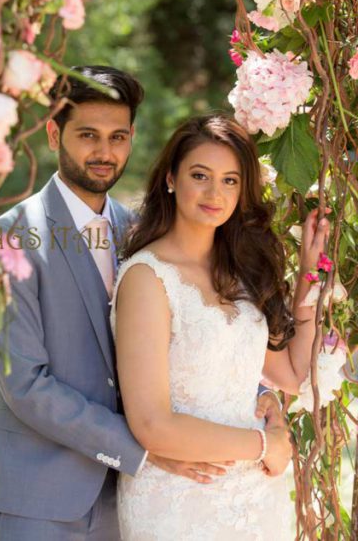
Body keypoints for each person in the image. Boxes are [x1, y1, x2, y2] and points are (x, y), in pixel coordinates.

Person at [0, 66, 282, 540]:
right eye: (88, 135)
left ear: (133, 138)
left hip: (133, 496)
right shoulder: (11, 237)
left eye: (118, 136)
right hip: (41, 491)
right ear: (54, 132)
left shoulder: (139, 233)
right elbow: (25, 385)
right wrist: (140, 446)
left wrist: (252, 390)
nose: (104, 151)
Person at [112, 114, 327, 539]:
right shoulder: (146, 277)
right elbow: (152, 424)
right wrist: (266, 445)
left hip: (255, 498)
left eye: (230, 180)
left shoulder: (240, 273)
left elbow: (289, 374)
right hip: (179, 497)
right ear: (171, 179)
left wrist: (308, 275)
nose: (216, 193)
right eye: (200, 175)